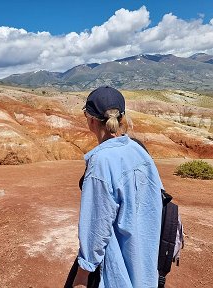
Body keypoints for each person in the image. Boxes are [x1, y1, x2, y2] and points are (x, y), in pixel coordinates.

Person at [66, 86, 163, 288]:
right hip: (144, 262)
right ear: (121, 118)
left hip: (117, 271)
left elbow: (96, 227)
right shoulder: (138, 149)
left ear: (90, 119)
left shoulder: (100, 163)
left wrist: (82, 276)